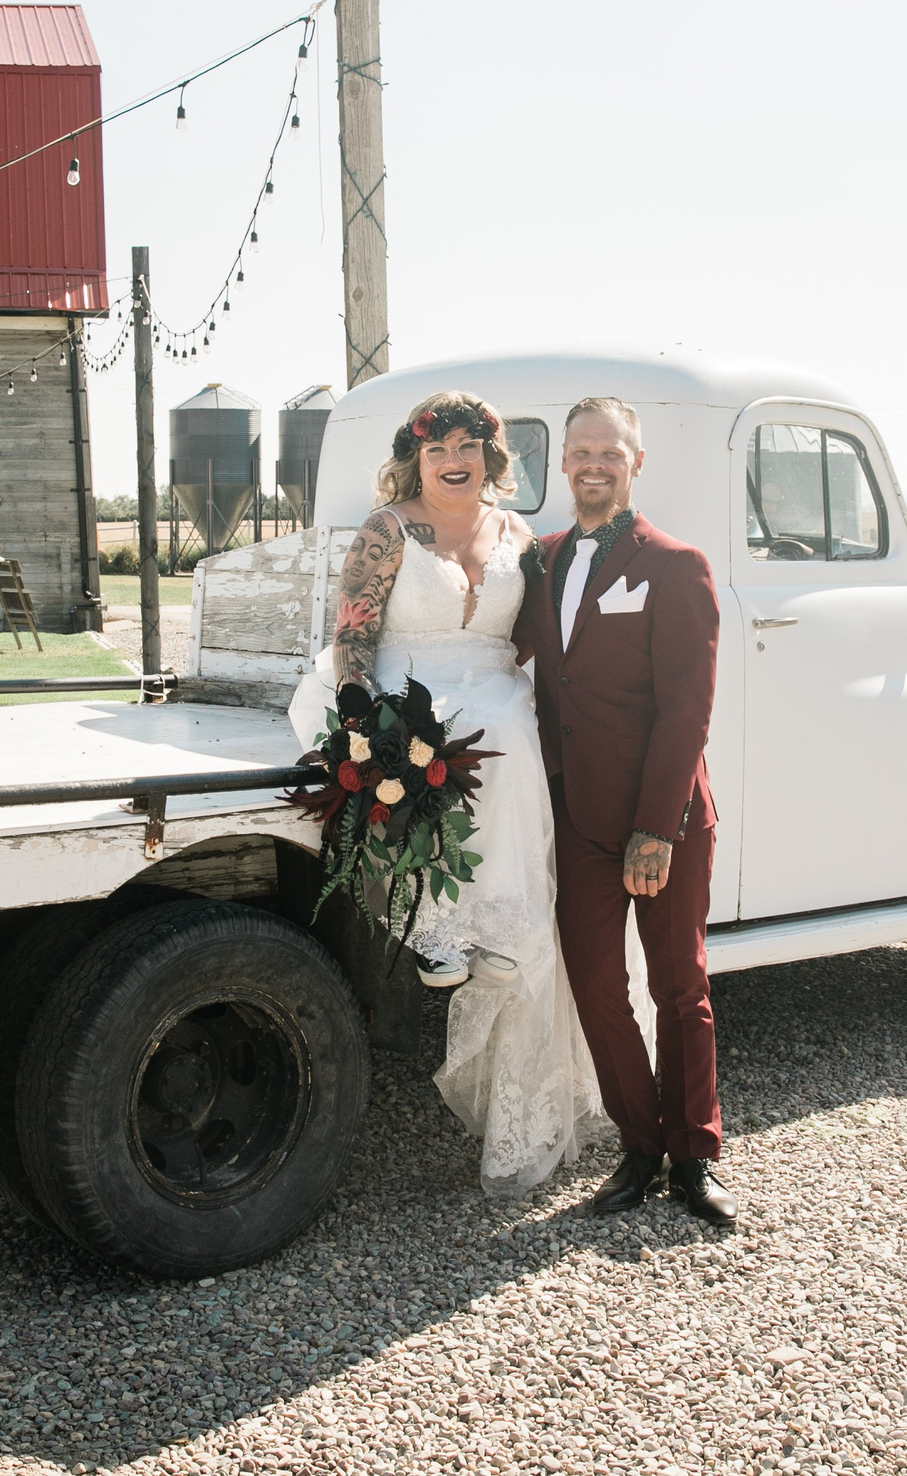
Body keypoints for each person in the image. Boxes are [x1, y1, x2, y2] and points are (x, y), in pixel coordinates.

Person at [287, 391, 608, 1197]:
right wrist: (360, 719)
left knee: (513, 740)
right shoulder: (389, 529)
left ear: (491, 458)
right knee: (453, 743)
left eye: (469, 446)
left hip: (496, 685)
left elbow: (543, 632)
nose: (453, 460)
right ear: (417, 458)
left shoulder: (518, 537)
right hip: (406, 686)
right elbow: (353, 632)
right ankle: (441, 932)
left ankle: (502, 937)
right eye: (438, 449)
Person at [513, 397, 736, 1226]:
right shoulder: (538, 562)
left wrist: (655, 828)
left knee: (680, 987)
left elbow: (687, 709)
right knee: (598, 988)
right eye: (580, 451)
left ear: (636, 462)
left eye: (610, 451)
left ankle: (695, 1156)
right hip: (578, 817)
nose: (593, 464)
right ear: (562, 463)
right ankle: (640, 1147)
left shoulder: (676, 566)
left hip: (662, 819)